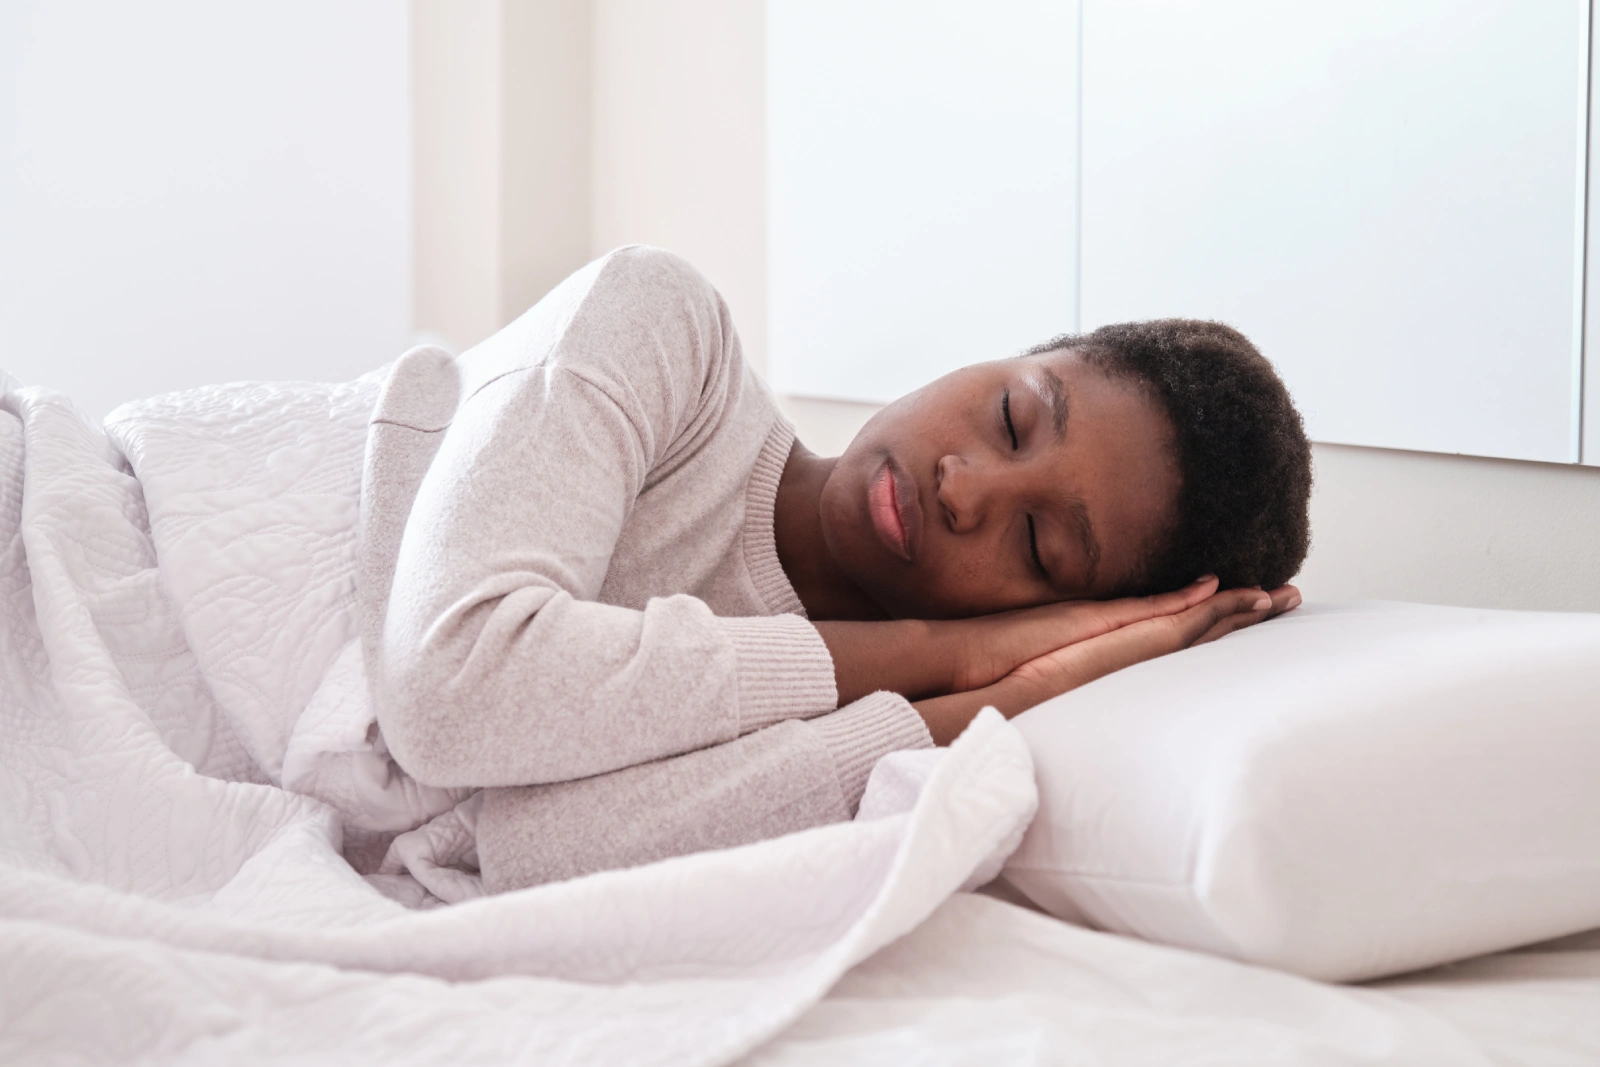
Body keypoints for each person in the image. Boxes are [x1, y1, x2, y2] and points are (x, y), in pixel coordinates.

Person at [359, 246, 1310, 893]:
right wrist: (944, 647)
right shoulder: (664, 327)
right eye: (1014, 415)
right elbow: (448, 694)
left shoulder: (870, 737)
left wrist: (1005, 693)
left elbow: (517, 858)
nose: (967, 487)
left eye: (1038, 547)